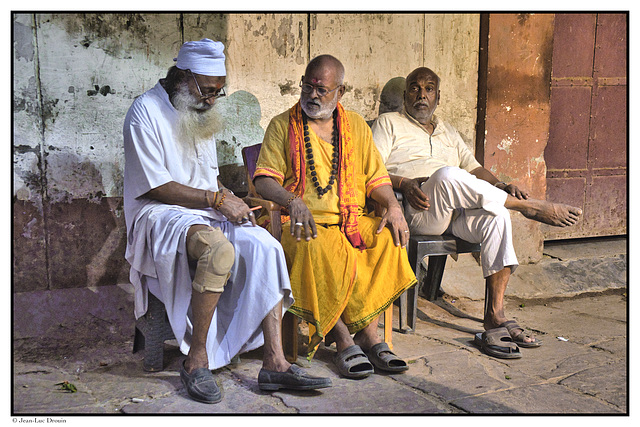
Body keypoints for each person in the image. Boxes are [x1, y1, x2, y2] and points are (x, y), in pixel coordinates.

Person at [123, 39, 331, 404]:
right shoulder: (145, 112)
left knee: (265, 245)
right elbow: (156, 185)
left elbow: (205, 176)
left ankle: (275, 363)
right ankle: (196, 360)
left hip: (203, 209)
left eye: (219, 91)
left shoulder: (200, 110)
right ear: (183, 77)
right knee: (218, 252)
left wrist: (227, 196)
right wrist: (216, 199)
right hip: (157, 213)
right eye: (208, 90)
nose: (212, 99)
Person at [371, 67, 583, 359]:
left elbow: (474, 169)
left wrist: (501, 184)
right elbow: (372, 171)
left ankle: (495, 315)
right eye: (415, 88)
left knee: (496, 216)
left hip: (458, 211)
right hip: (419, 210)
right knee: (446, 175)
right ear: (406, 94)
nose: (422, 95)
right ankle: (530, 207)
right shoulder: (388, 123)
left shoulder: (448, 131)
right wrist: (404, 184)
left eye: (429, 89)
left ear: (438, 96)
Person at [253, 55, 417, 379]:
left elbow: (377, 180)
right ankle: (342, 338)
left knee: (388, 239)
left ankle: (369, 334)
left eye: (322, 90)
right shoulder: (281, 125)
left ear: (340, 91)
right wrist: (292, 201)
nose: (312, 95)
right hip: (302, 221)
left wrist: (395, 207)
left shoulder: (356, 126)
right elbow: (263, 179)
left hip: (352, 221)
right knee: (318, 247)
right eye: (308, 86)